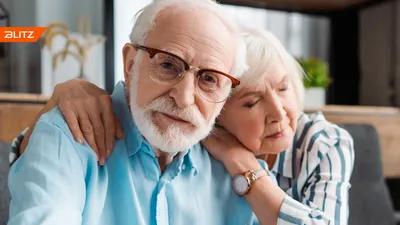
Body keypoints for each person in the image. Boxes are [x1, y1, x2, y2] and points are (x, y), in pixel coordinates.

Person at [10, 27, 355, 224]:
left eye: (284, 88)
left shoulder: (321, 142)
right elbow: (30, 160)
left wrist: (245, 167)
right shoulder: (190, 139)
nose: (280, 113)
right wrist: (63, 97)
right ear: (217, 112)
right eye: (251, 102)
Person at [7, 1, 271, 224]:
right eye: (168, 64)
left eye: (210, 80)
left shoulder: (236, 167)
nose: (184, 97)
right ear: (131, 63)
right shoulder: (68, 134)